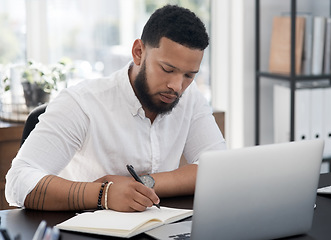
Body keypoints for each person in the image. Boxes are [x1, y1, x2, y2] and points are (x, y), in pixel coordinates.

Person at [5, 4, 226, 212]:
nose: (177, 87)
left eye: (189, 75)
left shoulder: (190, 96)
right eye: (167, 69)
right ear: (139, 52)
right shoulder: (81, 103)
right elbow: (18, 182)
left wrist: (139, 184)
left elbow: (218, 169)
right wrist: (104, 194)